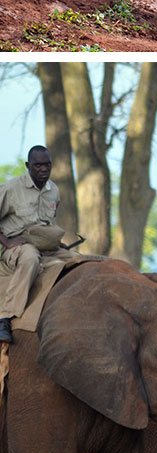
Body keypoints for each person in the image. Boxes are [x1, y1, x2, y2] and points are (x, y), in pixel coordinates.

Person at [0, 145, 61, 344]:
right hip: (18, 244)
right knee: (29, 259)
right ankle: (5, 317)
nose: (43, 169)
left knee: (82, 260)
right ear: (28, 166)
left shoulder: (54, 191)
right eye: (38, 166)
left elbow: (50, 222)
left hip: (46, 244)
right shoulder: (11, 188)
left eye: (47, 165)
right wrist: (7, 241)